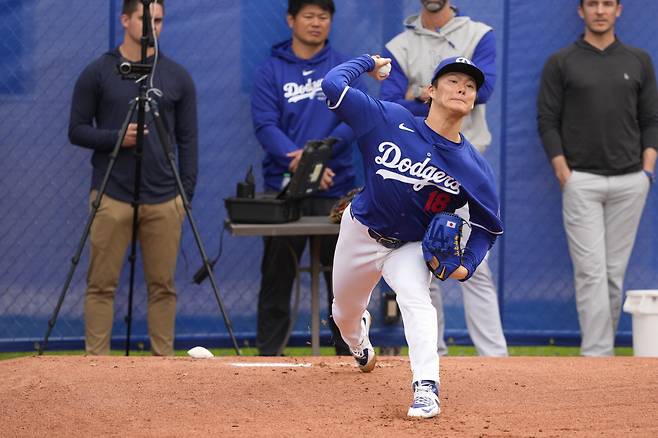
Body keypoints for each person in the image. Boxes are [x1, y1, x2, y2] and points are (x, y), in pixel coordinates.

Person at [322, 55, 503, 418]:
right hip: (360, 233)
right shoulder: (388, 118)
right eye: (453, 81)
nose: (463, 88)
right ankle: (359, 343)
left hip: (409, 245)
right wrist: (368, 63)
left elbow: (488, 227)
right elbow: (332, 85)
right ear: (430, 91)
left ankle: (426, 388)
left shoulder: (474, 167)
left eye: (470, 86)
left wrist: (466, 266)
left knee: (417, 300)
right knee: (343, 315)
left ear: (473, 102)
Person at [68, 0, 198, 356]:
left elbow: (188, 140)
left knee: (163, 286)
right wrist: (116, 137)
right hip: (111, 195)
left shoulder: (177, 76)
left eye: (159, 20)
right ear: (125, 20)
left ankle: (162, 366)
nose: (153, 27)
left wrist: (183, 195)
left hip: (164, 198)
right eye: (145, 19)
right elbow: (76, 130)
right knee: (100, 285)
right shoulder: (98, 72)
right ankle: (96, 365)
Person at [380, 0, 507, 357]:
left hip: (464, 160)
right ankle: (432, 352)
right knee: (423, 257)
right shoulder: (399, 45)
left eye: (460, 82)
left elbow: (483, 91)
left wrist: (422, 93)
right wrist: (428, 98)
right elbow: (391, 101)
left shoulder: (478, 34)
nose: (458, 88)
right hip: (417, 163)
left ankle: (494, 357)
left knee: (473, 264)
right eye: (449, 82)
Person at [537, 0, 657, 356]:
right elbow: (547, 120)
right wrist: (563, 172)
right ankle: (597, 356)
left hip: (630, 182)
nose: (600, 10)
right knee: (590, 272)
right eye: (593, 4)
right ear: (581, 11)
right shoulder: (561, 62)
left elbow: (651, 118)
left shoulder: (639, 60)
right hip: (581, 183)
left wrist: (647, 170)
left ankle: (601, 355)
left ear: (618, 10)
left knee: (612, 274)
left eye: (608, 3)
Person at [251, 0, 359, 356]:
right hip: (285, 190)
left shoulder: (341, 69)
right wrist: (300, 163)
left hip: (336, 186)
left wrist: (318, 161)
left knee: (343, 277)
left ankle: (350, 354)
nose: (316, 23)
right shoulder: (271, 71)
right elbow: (265, 124)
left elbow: (353, 120)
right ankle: (269, 353)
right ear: (291, 20)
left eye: (323, 17)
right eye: (309, 16)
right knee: (277, 274)